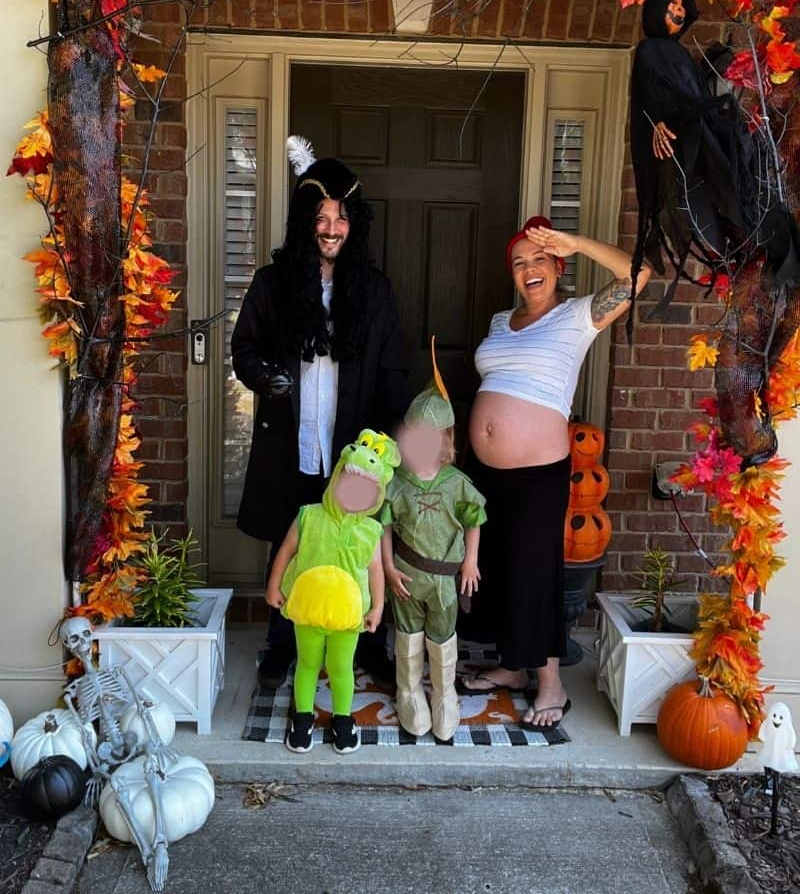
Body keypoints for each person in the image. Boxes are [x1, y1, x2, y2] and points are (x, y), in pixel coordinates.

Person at [232, 136, 410, 690]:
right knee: (294, 537)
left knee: (360, 544)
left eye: (340, 216)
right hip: (292, 439)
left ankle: (369, 642)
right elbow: (245, 349)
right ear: (305, 221)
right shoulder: (274, 283)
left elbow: (392, 370)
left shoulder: (374, 292)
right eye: (321, 216)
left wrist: (383, 447)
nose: (331, 227)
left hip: (353, 447)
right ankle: (283, 645)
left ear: (354, 222)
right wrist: (267, 377)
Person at [461, 215, 652, 730]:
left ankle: (550, 684)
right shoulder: (502, 321)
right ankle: (511, 669)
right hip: (489, 472)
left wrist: (575, 241)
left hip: (538, 472)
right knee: (499, 568)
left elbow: (639, 277)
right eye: (520, 263)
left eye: (540, 259)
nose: (529, 269)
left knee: (534, 573)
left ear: (558, 265)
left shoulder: (577, 317)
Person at [630, 0, 800, 466]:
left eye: (683, 9)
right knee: (730, 172)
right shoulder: (650, 53)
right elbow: (650, 103)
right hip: (688, 129)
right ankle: (754, 223)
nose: (677, 15)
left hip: (700, 120)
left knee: (739, 153)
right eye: (671, 7)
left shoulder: (678, 56)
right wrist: (656, 126)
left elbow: (691, 89)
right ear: (656, 11)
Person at [266, 429, 400, 754]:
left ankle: (342, 718)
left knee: (342, 667)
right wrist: (273, 586)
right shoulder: (309, 516)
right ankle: (302, 716)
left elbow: (375, 571)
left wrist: (378, 607)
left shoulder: (370, 530)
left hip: (348, 615)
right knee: (308, 664)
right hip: (307, 608)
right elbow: (285, 551)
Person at [379, 342, 486, 741]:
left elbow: (474, 519)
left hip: (444, 579)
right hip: (406, 576)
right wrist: (388, 568)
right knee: (408, 637)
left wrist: (471, 560)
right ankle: (408, 692)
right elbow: (384, 527)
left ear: (446, 439)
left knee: (442, 637)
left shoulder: (457, 484)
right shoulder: (395, 484)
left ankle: (444, 695)